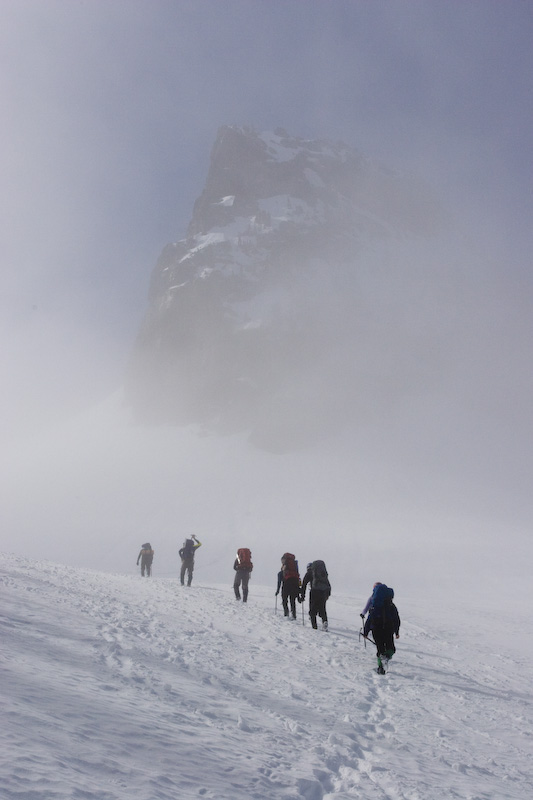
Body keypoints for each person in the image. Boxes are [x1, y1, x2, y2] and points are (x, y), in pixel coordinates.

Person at [363, 583, 400, 674]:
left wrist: (366, 631)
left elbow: (369, 619)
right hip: (388, 629)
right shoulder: (391, 606)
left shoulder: (374, 605)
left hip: (376, 629)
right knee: (391, 648)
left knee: (380, 649)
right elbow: (396, 619)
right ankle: (385, 659)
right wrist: (396, 631)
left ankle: (381, 667)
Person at [300, 560, 331, 630]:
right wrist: (327, 594)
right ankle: (324, 621)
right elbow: (327, 584)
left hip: (314, 592)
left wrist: (302, 595)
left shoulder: (309, 573)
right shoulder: (322, 574)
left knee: (312, 610)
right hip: (323, 592)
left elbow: (304, 584)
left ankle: (314, 627)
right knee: (322, 608)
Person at [275, 552, 300, 619]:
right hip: (294, 584)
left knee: (284, 599)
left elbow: (279, 582)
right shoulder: (294, 571)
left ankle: (286, 613)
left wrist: (277, 591)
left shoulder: (282, 572)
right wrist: (299, 592)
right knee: (292, 600)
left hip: (286, 585)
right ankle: (293, 615)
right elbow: (298, 581)